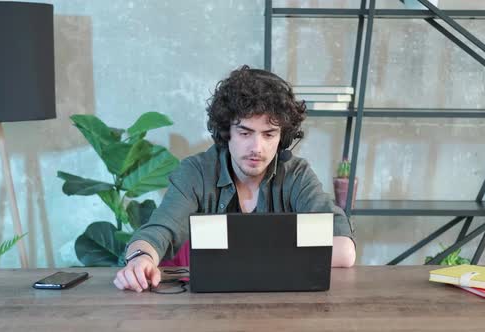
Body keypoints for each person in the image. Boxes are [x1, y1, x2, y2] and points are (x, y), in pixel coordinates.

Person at [113, 65, 356, 292]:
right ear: (227, 132)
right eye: (245, 132)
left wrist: (241, 256)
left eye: (269, 134)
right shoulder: (196, 172)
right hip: (208, 310)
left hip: (283, 307)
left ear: (281, 137)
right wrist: (140, 259)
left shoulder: (296, 174)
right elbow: (159, 231)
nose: (257, 147)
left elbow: (344, 249)